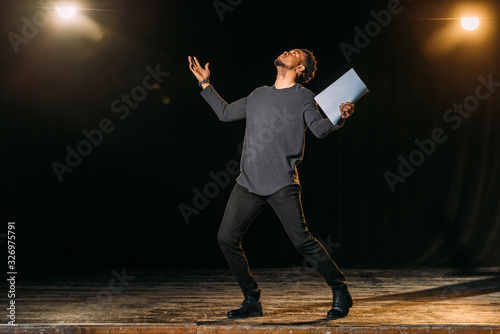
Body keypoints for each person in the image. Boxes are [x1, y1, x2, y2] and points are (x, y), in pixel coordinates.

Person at [187, 49, 355, 319]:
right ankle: (252, 299)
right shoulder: (258, 95)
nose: (286, 51)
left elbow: (319, 129)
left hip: (281, 182)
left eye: (294, 52)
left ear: (300, 68)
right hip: (248, 182)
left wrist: (340, 116)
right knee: (226, 238)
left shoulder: (304, 97)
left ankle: (340, 290)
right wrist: (205, 83)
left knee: (302, 241)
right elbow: (226, 113)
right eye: (286, 49)